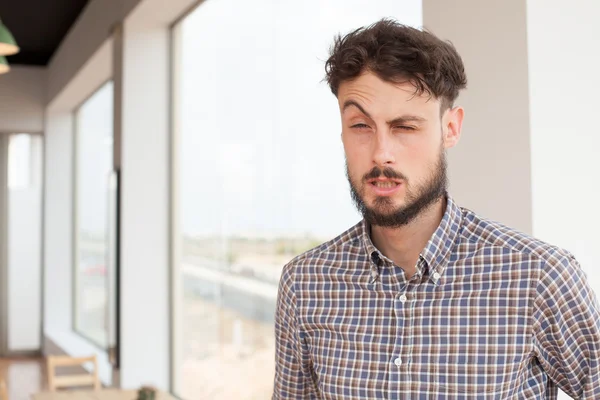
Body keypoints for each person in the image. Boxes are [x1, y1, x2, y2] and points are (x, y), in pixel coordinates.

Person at [272, 18, 600, 399]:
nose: (381, 153)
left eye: (405, 127)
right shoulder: (304, 285)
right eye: (361, 125)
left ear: (451, 129)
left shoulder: (539, 276)